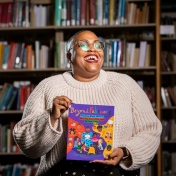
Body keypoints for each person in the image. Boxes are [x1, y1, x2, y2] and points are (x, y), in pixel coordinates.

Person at [13, 30, 162, 176]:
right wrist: (51, 117)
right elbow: (26, 143)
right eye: (83, 45)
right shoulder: (48, 87)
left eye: (98, 45)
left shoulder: (126, 84)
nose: (92, 49)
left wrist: (126, 151)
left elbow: (151, 130)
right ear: (69, 56)